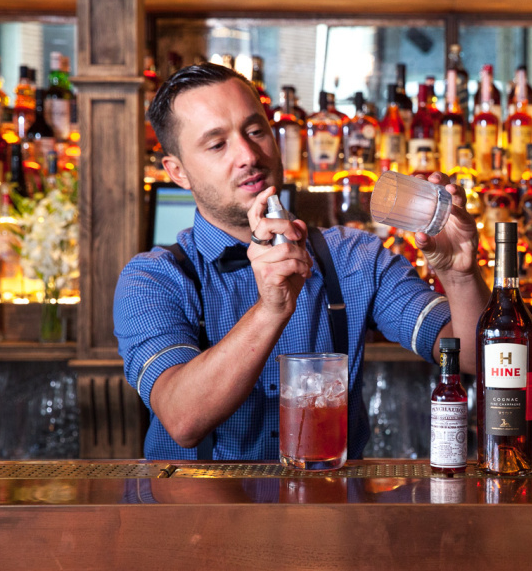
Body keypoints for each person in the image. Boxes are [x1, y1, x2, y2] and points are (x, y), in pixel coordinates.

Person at [113, 63, 490, 460]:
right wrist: (270, 310)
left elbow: (474, 358)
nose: (248, 155)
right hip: (200, 501)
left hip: (328, 496)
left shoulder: (353, 257)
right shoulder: (152, 279)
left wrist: (459, 276)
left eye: (255, 131)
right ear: (177, 171)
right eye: (217, 144)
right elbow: (182, 419)